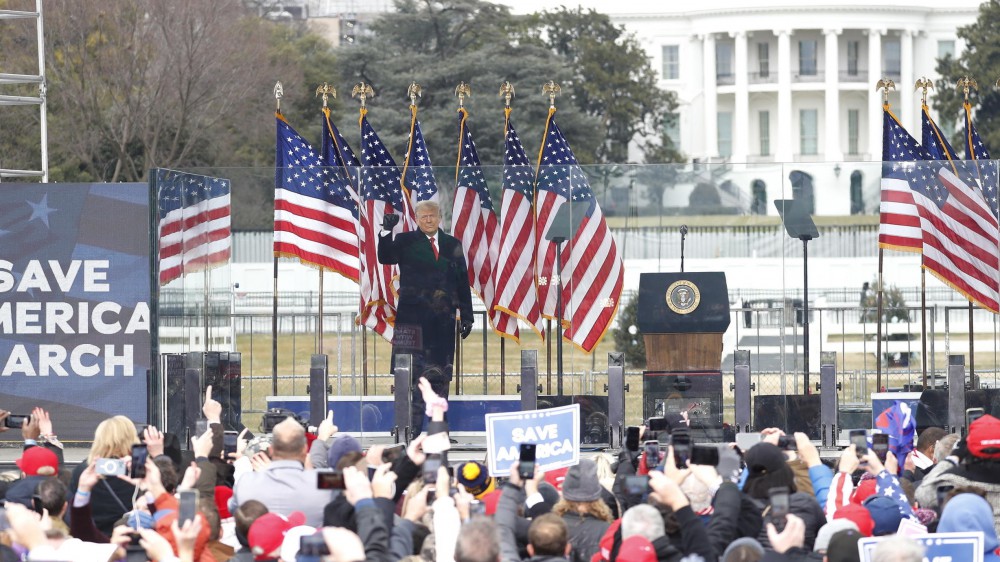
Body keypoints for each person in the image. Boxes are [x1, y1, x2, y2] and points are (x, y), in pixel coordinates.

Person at [378, 200, 474, 436]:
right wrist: (386, 232)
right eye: (423, 216)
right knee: (410, 377)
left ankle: (439, 431)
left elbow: (462, 281)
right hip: (411, 321)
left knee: (440, 377)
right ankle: (408, 430)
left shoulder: (453, 244)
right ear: (416, 218)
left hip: (443, 322)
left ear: (440, 217)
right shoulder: (404, 241)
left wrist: (468, 315)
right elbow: (384, 256)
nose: (428, 220)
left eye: (432, 215)